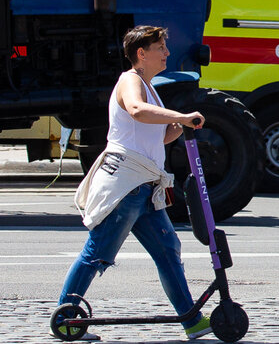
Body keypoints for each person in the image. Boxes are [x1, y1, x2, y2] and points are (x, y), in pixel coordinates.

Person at [53, 26, 212, 341]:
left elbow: (158, 137)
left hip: (144, 187)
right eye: (161, 47)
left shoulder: (149, 87)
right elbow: (138, 112)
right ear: (142, 53)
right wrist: (179, 116)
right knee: (97, 253)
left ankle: (191, 320)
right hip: (126, 185)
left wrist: (181, 126)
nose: (167, 53)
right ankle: (66, 320)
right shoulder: (131, 81)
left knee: (168, 249)